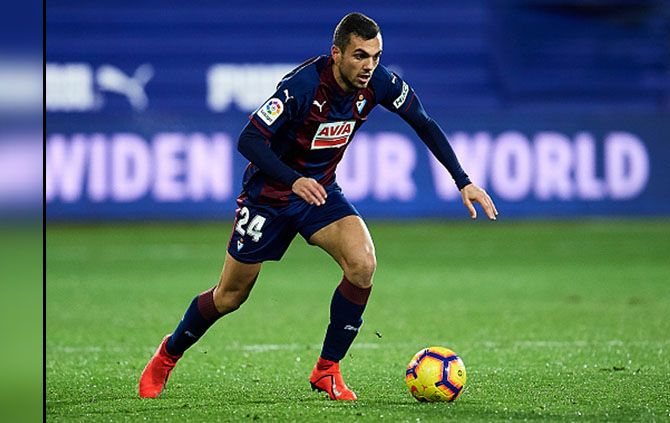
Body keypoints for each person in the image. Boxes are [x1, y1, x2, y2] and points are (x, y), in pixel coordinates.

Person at [138, 12, 498, 401]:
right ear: (337, 53)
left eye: (376, 56)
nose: (369, 66)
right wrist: (293, 179)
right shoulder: (302, 85)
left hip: (320, 193)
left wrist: (463, 180)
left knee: (362, 264)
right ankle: (167, 354)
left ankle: (327, 369)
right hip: (269, 198)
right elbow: (249, 141)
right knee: (230, 296)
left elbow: (423, 122)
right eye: (360, 56)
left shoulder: (378, 82)